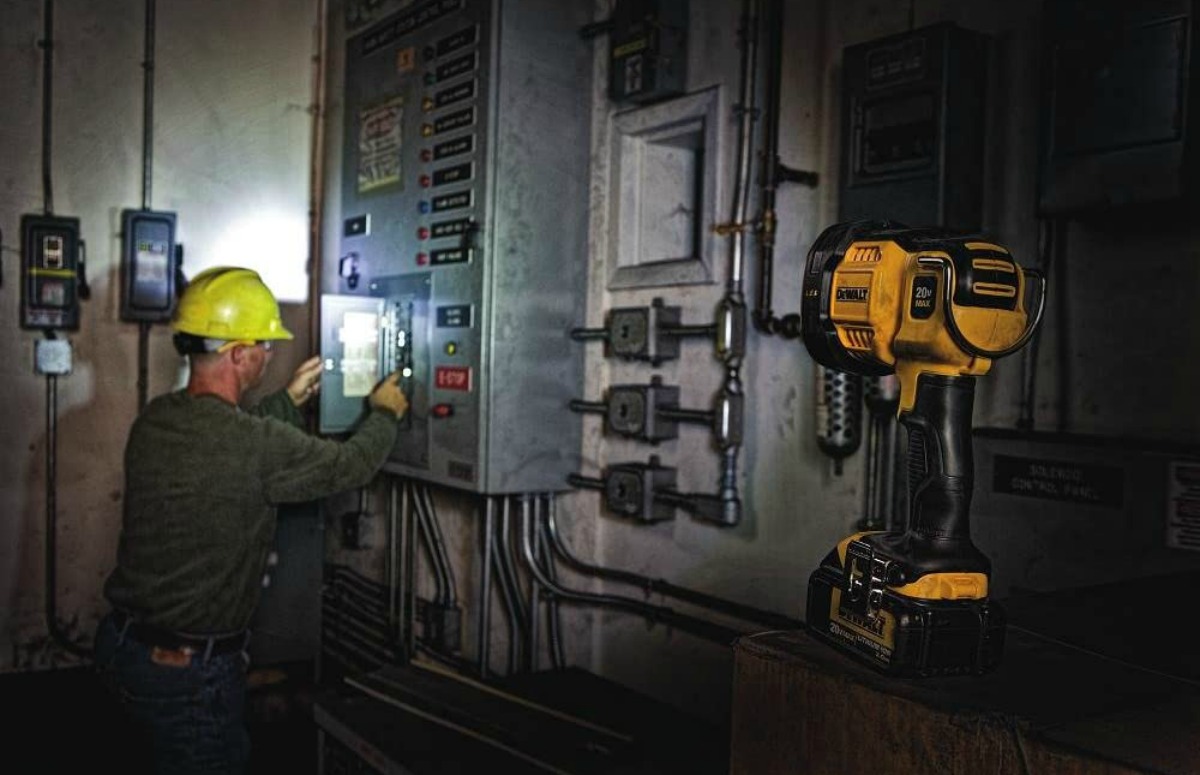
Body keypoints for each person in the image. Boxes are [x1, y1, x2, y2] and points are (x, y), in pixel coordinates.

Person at [94, 266, 407, 774]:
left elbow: (227, 446)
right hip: (188, 675)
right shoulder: (252, 446)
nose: (269, 353)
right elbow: (351, 465)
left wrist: (286, 400)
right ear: (239, 354)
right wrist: (385, 413)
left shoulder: (154, 421)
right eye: (264, 343)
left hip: (123, 650)